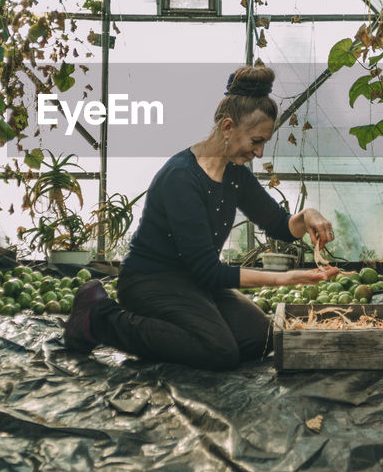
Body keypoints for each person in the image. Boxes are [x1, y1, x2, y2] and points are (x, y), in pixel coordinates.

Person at [62, 65, 341, 369]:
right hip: (151, 282)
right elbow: (208, 271)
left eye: (264, 143)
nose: (259, 153)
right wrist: (285, 278)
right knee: (218, 351)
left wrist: (307, 215)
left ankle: (188, 331)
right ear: (227, 128)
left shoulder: (235, 175)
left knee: (260, 338)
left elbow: (279, 225)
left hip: (193, 283)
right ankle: (99, 316)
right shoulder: (181, 178)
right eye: (256, 141)